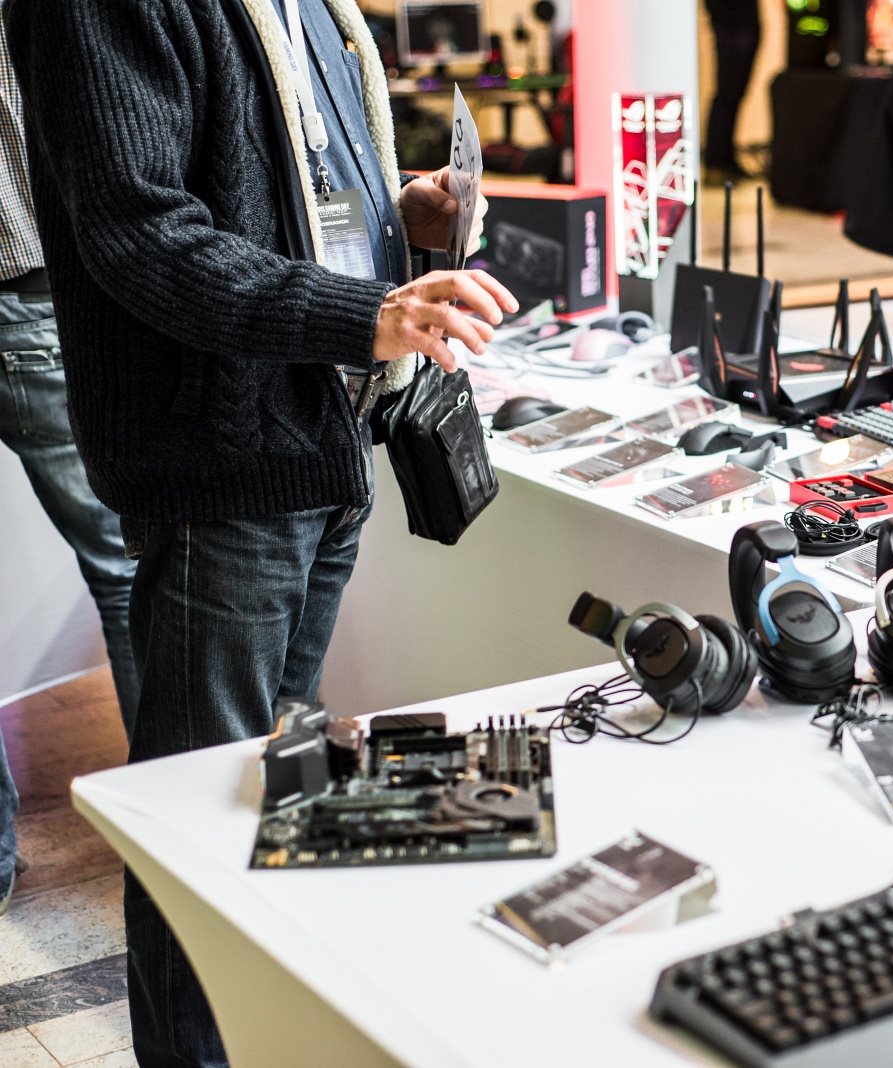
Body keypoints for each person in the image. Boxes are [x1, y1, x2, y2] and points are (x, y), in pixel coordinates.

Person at [5, 1, 516, 1063]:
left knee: (271, 799)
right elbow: (139, 230)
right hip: (221, 457)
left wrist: (397, 209)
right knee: (197, 822)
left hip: (320, 429)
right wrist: (363, 315)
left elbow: (281, 173)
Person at [0, 21, 140, 918]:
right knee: (126, 566)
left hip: (33, 288)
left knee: (126, 564)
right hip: (30, 285)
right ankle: (178, 821)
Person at [703, 0, 761, 179]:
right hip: (733, 22)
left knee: (734, 94)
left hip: (741, 20)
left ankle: (725, 158)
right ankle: (716, 162)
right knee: (727, 93)